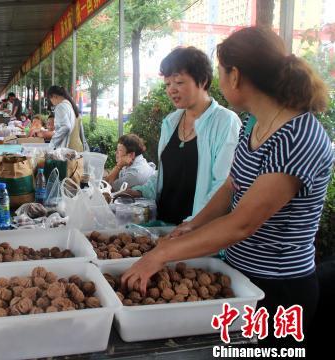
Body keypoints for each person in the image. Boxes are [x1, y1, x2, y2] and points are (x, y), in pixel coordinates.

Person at [121, 27, 331, 350]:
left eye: (220, 73)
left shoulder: (298, 135)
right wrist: (192, 225)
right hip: (237, 278)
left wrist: (161, 254)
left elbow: (242, 222)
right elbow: (232, 186)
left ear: (236, 76)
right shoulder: (254, 123)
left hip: (278, 291)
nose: (219, 81)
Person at [126, 46, 241, 225]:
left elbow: (222, 186)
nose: (171, 90)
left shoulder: (225, 122)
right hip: (162, 228)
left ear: (202, 81)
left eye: (179, 82)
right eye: (167, 84)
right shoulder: (170, 122)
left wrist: (191, 225)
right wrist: (139, 191)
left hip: (197, 233)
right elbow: (166, 174)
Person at [46, 86, 89, 152]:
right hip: (78, 147)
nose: (51, 102)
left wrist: (52, 144)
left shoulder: (60, 107)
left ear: (54, 96)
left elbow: (65, 127)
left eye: (50, 99)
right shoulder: (72, 107)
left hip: (69, 150)